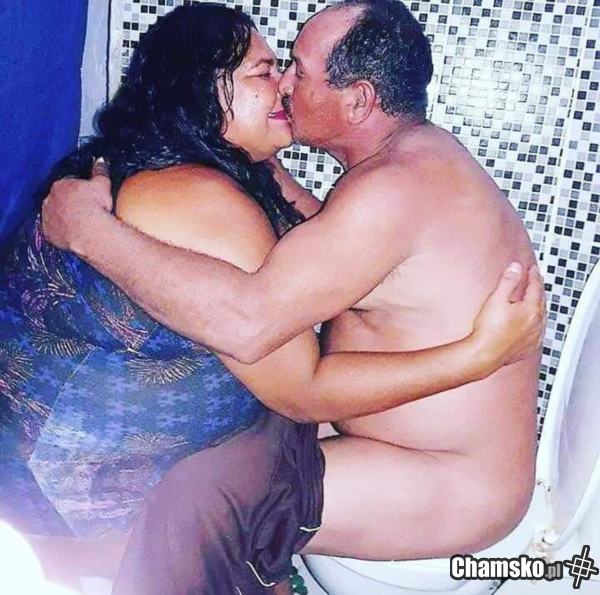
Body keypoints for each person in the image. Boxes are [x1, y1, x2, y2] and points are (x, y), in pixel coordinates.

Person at [40, 1, 545, 593]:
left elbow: (251, 328)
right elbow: (329, 248)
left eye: (299, 71)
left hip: (451, 482)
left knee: (208, 501)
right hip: (396, 442)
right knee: (231, 448)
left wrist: (89, 232)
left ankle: (64, 564)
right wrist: (246, 154)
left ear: (358, 100)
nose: (284, 84)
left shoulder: (393, 190)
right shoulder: (411, 160)